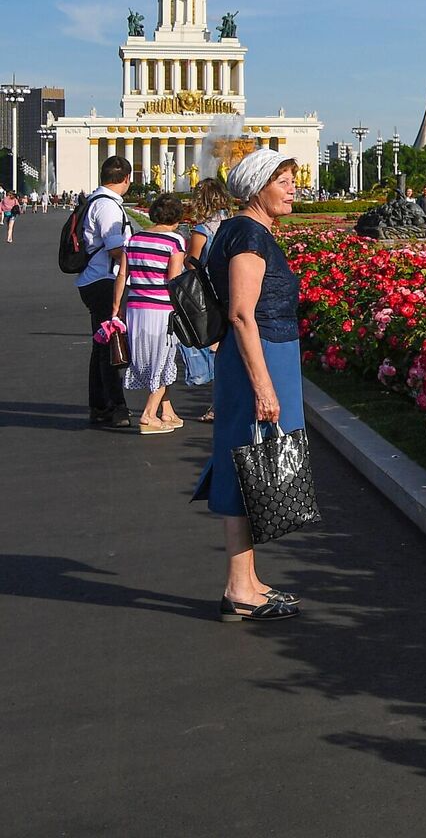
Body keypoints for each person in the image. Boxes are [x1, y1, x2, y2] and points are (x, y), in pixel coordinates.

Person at [195, 148, 304, 622]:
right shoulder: (247, 233)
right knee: (248, 461)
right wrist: (264, 386)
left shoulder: (245, 230)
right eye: (282, 180)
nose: (292, 188)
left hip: (265, 356)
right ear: (257, 186)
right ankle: (240, 587)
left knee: (250, 460)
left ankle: (247, 580)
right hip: (257, 361)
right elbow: (242, 313)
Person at [123, 193, 188, 435]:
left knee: (152, 359)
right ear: (178, 217)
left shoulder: (134, 239)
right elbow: (173, 280)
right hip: (162, 309)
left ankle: (167, 411)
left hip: (136, 307)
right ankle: (148, 415)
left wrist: (117, 309)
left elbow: (124, 275)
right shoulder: (174, 242)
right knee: (164, 360)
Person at [78, 156, 134, 428]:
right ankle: (115, 406)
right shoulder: (109, 207)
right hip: (105, 280)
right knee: (109, 345)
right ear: (126, 178)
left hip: (95, 279)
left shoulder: (96, 201)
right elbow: (115, 249)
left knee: (101, 346)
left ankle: (101, 405)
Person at [184, 179, 232, 423]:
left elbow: (191, 263)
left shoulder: (201, 231)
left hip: (210, 294)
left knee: (215, 350)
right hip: (231, 290)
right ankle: (223, 402)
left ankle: (218, 404)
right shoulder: (231, 225)